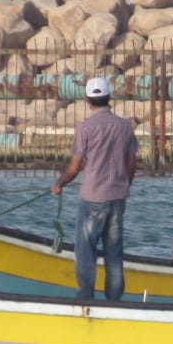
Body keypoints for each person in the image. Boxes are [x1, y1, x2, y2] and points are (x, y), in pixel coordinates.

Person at [51, 75, 138, 301]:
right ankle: (114, 302)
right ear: (109, 97)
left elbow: (74, 168)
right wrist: (123, 187)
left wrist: (59, 184)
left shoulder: (85, 128)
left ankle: (86, 298)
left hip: (92, 198)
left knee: (86, 252)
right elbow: (132, 164)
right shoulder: (124, 126)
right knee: (114, 253)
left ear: (87, 100)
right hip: (118, 197)